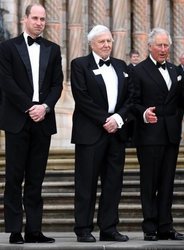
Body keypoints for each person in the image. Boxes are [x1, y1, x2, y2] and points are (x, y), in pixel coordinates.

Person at [0, 3, 63, 244]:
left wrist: (44, 107)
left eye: (42, 19)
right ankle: (15, 230)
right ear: (25, 19)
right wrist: (30, 107)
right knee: (14, 177)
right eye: (35, 18)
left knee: (36, 178)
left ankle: (34, 230)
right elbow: (6, 82)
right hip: (18, 119)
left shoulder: (53, 49)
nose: (39, 22)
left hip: (43, 121)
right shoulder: (7, 47)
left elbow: (57, 84)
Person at [70, 25, 133, 243]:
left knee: (113, 183)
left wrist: (117, 119)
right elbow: (82, 97)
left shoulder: (121, 65)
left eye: (109, 40)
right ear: (91, 44)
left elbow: (131, 97)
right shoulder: (79, 65)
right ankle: (83, 228)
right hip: (90, 134)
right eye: (101, 41)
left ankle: (109, 227)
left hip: (116, 133)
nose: (106, 45)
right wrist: (104, 119)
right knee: (86, 183)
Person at [131, 27, 184, 241]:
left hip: (171, 135)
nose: (164, 49)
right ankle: (150, 227)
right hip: (148, 135)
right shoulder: (138, 71)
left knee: (167, 183)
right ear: (149, 46)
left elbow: (182, 98)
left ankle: (165, 226)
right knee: (149, 183)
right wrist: (143, 113)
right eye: (159, 45)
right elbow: (132, 102)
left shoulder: (176, 70)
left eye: (166, 45)